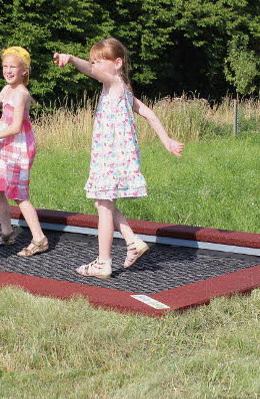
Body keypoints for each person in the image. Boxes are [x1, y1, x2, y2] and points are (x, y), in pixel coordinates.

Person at [53, 38, 184, 278]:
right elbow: (150, 114)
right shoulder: (123, 89)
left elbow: (90, 71)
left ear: (117, 63)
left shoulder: (114, 83)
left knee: (103, 206)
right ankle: (132, 241)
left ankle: (103, 262)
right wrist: (167, 141)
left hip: (111, 156)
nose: (95, 66)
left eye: (100, 62)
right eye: (93, 61)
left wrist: (71, 59)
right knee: (102, 203)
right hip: (113, 156)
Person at [0, 46, 48, 257]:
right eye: (5, 67)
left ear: (24, 70)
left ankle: (39, 238)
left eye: (13, 67)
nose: (8, 71)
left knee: (18, 194)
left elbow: (17, 126)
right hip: (2, 144)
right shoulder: (6, 90)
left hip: (18, 147)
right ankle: (7, 233)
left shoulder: (21, 94)